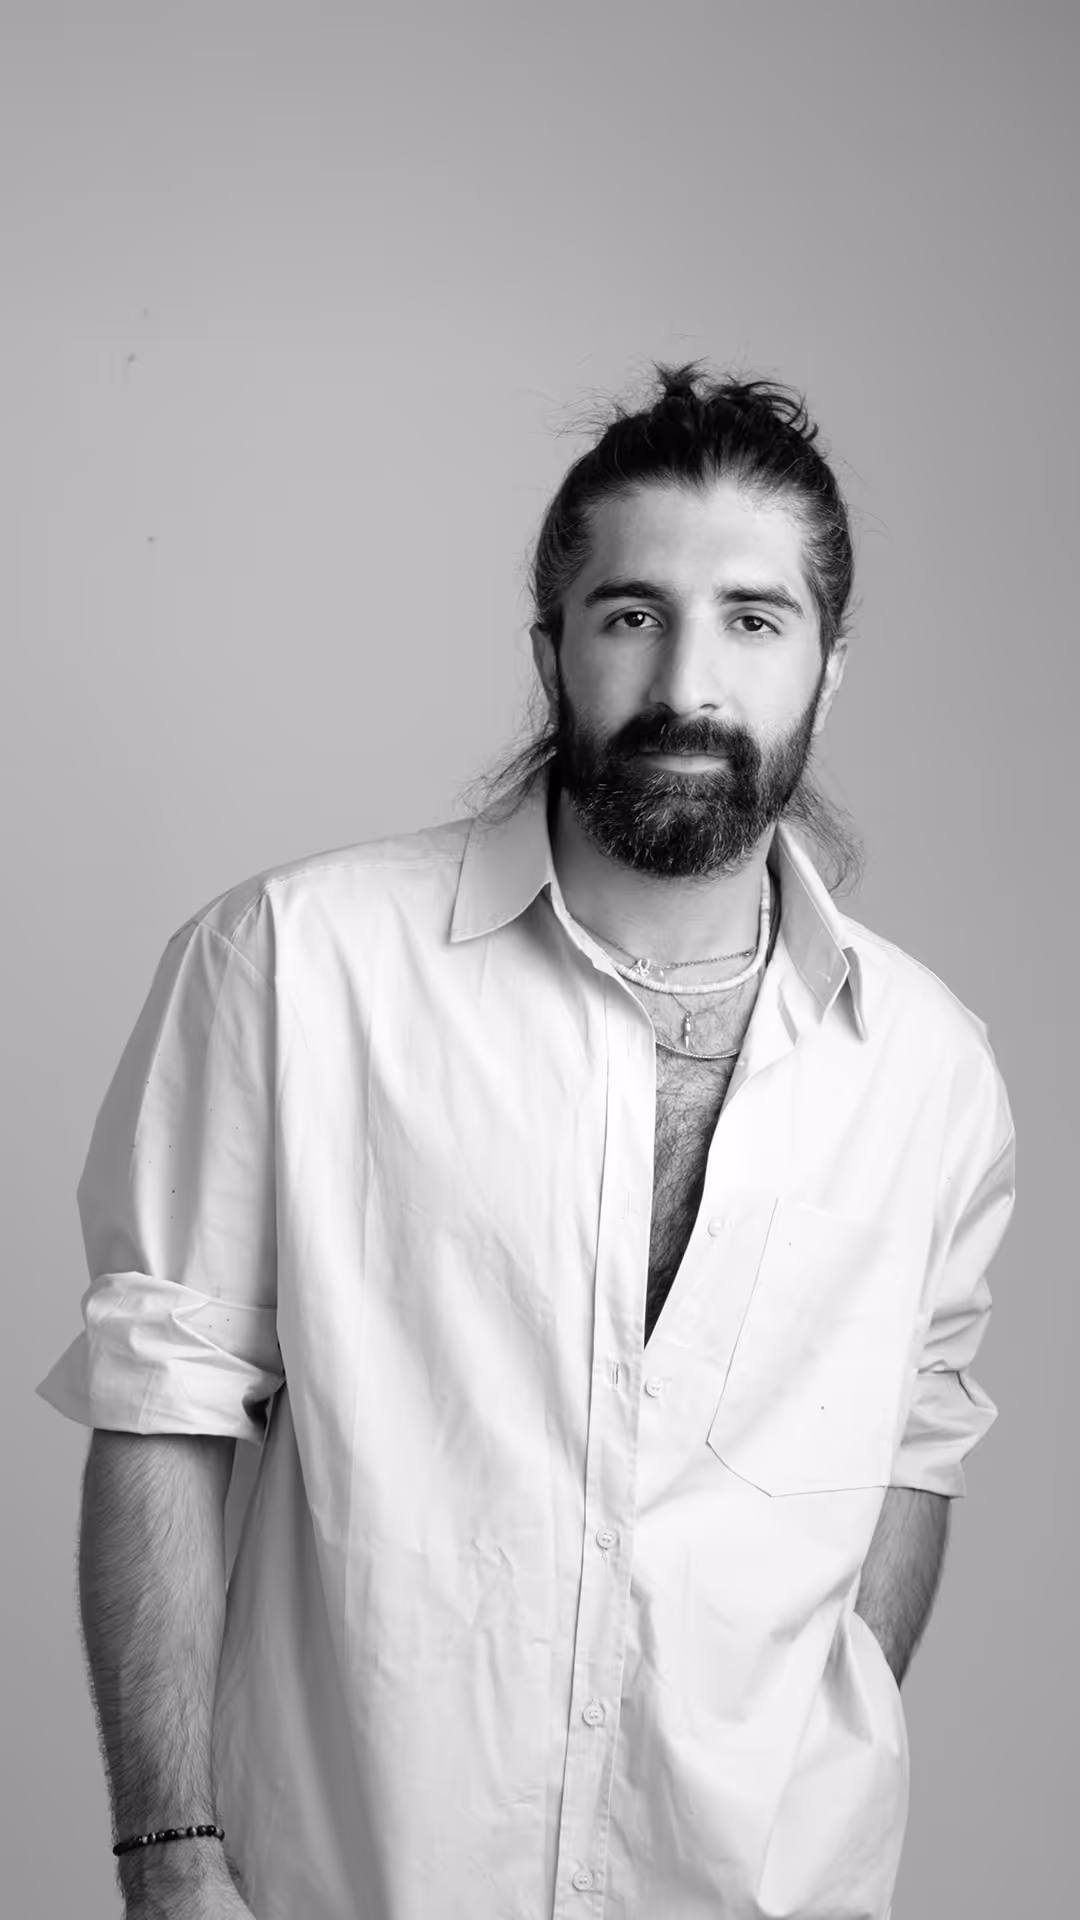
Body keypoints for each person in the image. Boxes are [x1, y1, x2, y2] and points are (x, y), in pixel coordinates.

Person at [37, 363, 1016, 1920]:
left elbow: (911, 1445)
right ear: (552, 650)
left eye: (754, 621)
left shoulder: (931, 1070)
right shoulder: (293, 965)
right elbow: (161, 1410)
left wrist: (797, 1772)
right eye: (632, 614)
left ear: (828, 673)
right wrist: (170, 1859)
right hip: (354, 1883)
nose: (690, 682)